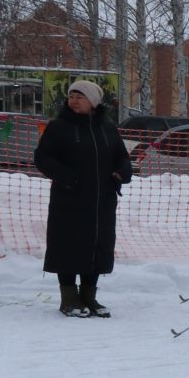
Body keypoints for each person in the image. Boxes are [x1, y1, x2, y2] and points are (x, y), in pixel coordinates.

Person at [33, 79, 132, 316]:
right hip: (69, 199)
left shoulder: (107, 128)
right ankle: (69, 298)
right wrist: (68, 178)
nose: (74, 100)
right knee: (67, 246)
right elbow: (43, 158)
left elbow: (123, 156)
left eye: (80, 96)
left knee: (97, 246)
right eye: (72, 96)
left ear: (94, 101)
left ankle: (89, 297)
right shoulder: (58, 127)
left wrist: (122, 172)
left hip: (102, 200)